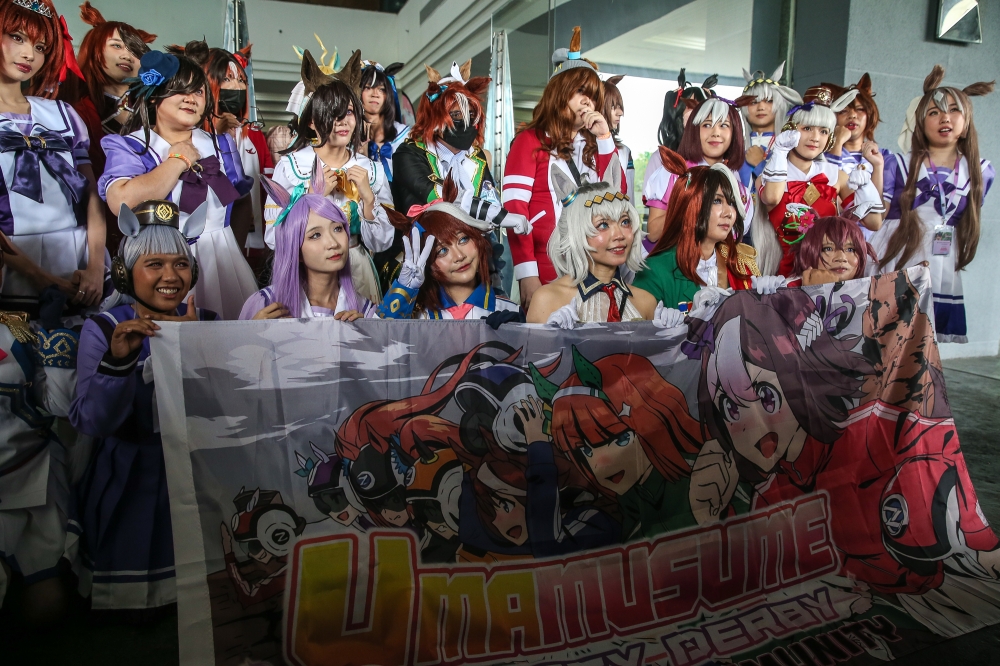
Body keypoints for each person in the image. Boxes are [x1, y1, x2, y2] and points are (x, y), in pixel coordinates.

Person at [71, 200, 217, 616]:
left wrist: (201, 351)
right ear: (124, 272)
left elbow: (225, 415)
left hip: (194, 474)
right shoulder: (102, 329)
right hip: (128, 471)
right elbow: (94, 422)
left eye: (181, 264)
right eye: (154, 264)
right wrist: (118, 361)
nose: (171, 277)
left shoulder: (209, 322)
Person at [99, 50, 258, 320]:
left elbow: (241, 201)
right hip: (162, 266)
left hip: (223, 261)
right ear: (155, 95)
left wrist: (233, 250)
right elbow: (120, 202)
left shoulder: (221, 144)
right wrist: (177, 160)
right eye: (179, 90)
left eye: (198, 92)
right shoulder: (132, 146)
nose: (191, 99)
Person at [0, 0, 109, 352]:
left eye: (40, 46)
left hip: (78, 261)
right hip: (11, 267)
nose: (28, 53)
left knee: (79, 377)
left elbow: (91, 196)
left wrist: (94, 267)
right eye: (17, 37)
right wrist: (43, 279)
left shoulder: (62, 113)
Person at [869, 66, 994, 344]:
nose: (944, 118)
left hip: (942, 256)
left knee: (924, 343)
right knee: (887, 336)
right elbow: (877, 216)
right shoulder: (897, 163)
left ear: (966, 121)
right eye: (934, 112)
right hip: (899, 250)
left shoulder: (981, 171)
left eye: (953, 110)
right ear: (920, 122)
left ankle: (918, 387)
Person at [503, 26, 623, 309]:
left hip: (594, 268)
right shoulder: (528, 140)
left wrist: (605, 138)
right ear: (559, 92)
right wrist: (526, 274)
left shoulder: (595, 144)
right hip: (545, 269)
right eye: (580, 91)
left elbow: (618, 200)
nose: (587, 101)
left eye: (592, 95)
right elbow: (514, 212)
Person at [266, 53, 395, 305]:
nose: (343, 122)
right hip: (306, 274)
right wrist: (312, 199)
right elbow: (273, 239)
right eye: (332, 114)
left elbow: (382, 243)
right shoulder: (292, 167)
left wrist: (368, 202)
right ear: (312, 122)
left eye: (348, 111)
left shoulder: (372, 170)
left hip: (357, 269)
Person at [533, 348, 703, 540]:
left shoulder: (703, 473)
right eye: (585, 450)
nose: (602, 462)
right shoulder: (623, 503)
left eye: (620, 439)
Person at [390, 59, 523, 298]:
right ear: (435, 115)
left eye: (471, 113)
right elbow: (444, 199)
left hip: (476, 262)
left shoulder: (478, 158)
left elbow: (490, 201)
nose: (465, 120)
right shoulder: (408, 154)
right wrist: (502, 217)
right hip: (428, 264)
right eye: (456, 114)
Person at [0, 230, 74, 625]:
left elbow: (60, 405)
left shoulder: (17, 328)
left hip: (33, 475)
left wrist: (55, 336)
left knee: (48, 608)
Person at [525, 160, 676, 327]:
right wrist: (551, 339)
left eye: (625, 222)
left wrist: (675, 335)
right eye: (603, 225)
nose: (619, 234)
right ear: (576, 233)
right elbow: (534, 353)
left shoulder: (646, 302)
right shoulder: (547, 300)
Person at [755, 85, 886, 277]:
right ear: (790, 129)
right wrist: (780, 152)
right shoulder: (767, 176)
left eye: (824, 131)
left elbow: (874, 223)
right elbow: (773, 198)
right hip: (785, 276)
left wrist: (866, 186)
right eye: (807, 128)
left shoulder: (836, 175)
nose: (815, 138)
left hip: (830, 275)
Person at [632, 148, 778, 313]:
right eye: (717, 201)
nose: (729, 212)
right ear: (690, 205)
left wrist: (767, 304)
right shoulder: (655, 270)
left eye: (731, 203)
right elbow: (640, 336)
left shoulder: (742, 264)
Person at [173, 40, 274, 273]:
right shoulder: (190, 136)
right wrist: (216, 134)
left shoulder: (256, 136)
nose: (236, 86)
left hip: (256, 243)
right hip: (199, 246)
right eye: (227, 79)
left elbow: (266, 192)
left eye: (240, 80)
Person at [71, 2, 155, 256]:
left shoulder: (155, 111)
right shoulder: (74, 112)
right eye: (117, 46)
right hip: (91, 231)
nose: (127, 55)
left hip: (150, 230)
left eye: (134, 49)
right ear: (94, 50)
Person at [377, 177, 521, 322]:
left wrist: (515, 334)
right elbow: (378, 341)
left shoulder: (510, 312)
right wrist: (403, 290)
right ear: (427, 262)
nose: (459, 256)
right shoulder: (416, 320)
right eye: (442, 251)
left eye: (463, 239)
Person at [240, 170, 373, 320]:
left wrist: (364, 334)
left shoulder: (363, 309)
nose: (333, 243)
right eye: (315, 235)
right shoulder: (265, 305)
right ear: (295, 251)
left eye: (337, 228)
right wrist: (253, 334)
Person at [643, 97, 754, 252]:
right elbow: (653, 234)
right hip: (672, 267)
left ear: (734, 132)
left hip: (718, 271)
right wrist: (692, 205)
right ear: (694, 130)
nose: (715, 133)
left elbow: (732, 244)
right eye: (707, 125)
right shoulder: (673, 173)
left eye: (724, 125)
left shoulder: (740, 186)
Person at [737, 62, 801, 185]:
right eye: (753, 102)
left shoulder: (791, 146)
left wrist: (759, 164)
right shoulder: (735, 147)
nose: (761, 107)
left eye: (769, 101)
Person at [787, 215, 877, 287]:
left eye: (850, 249)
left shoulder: (873, 293)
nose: (841, 258)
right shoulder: (786, 292)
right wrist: (817, 291)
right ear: (807, 252)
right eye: (828, 249)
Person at [360, 59, 408, 180]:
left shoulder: (408, 137)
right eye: (367, 87)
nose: (375, 94)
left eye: (381, 89)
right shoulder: (347, 140)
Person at [602, 75, 634, 199]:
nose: (620, 113)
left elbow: (628, 197)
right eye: (613, 106)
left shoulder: (624, 151)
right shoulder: (578, 147)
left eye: (620, 107)